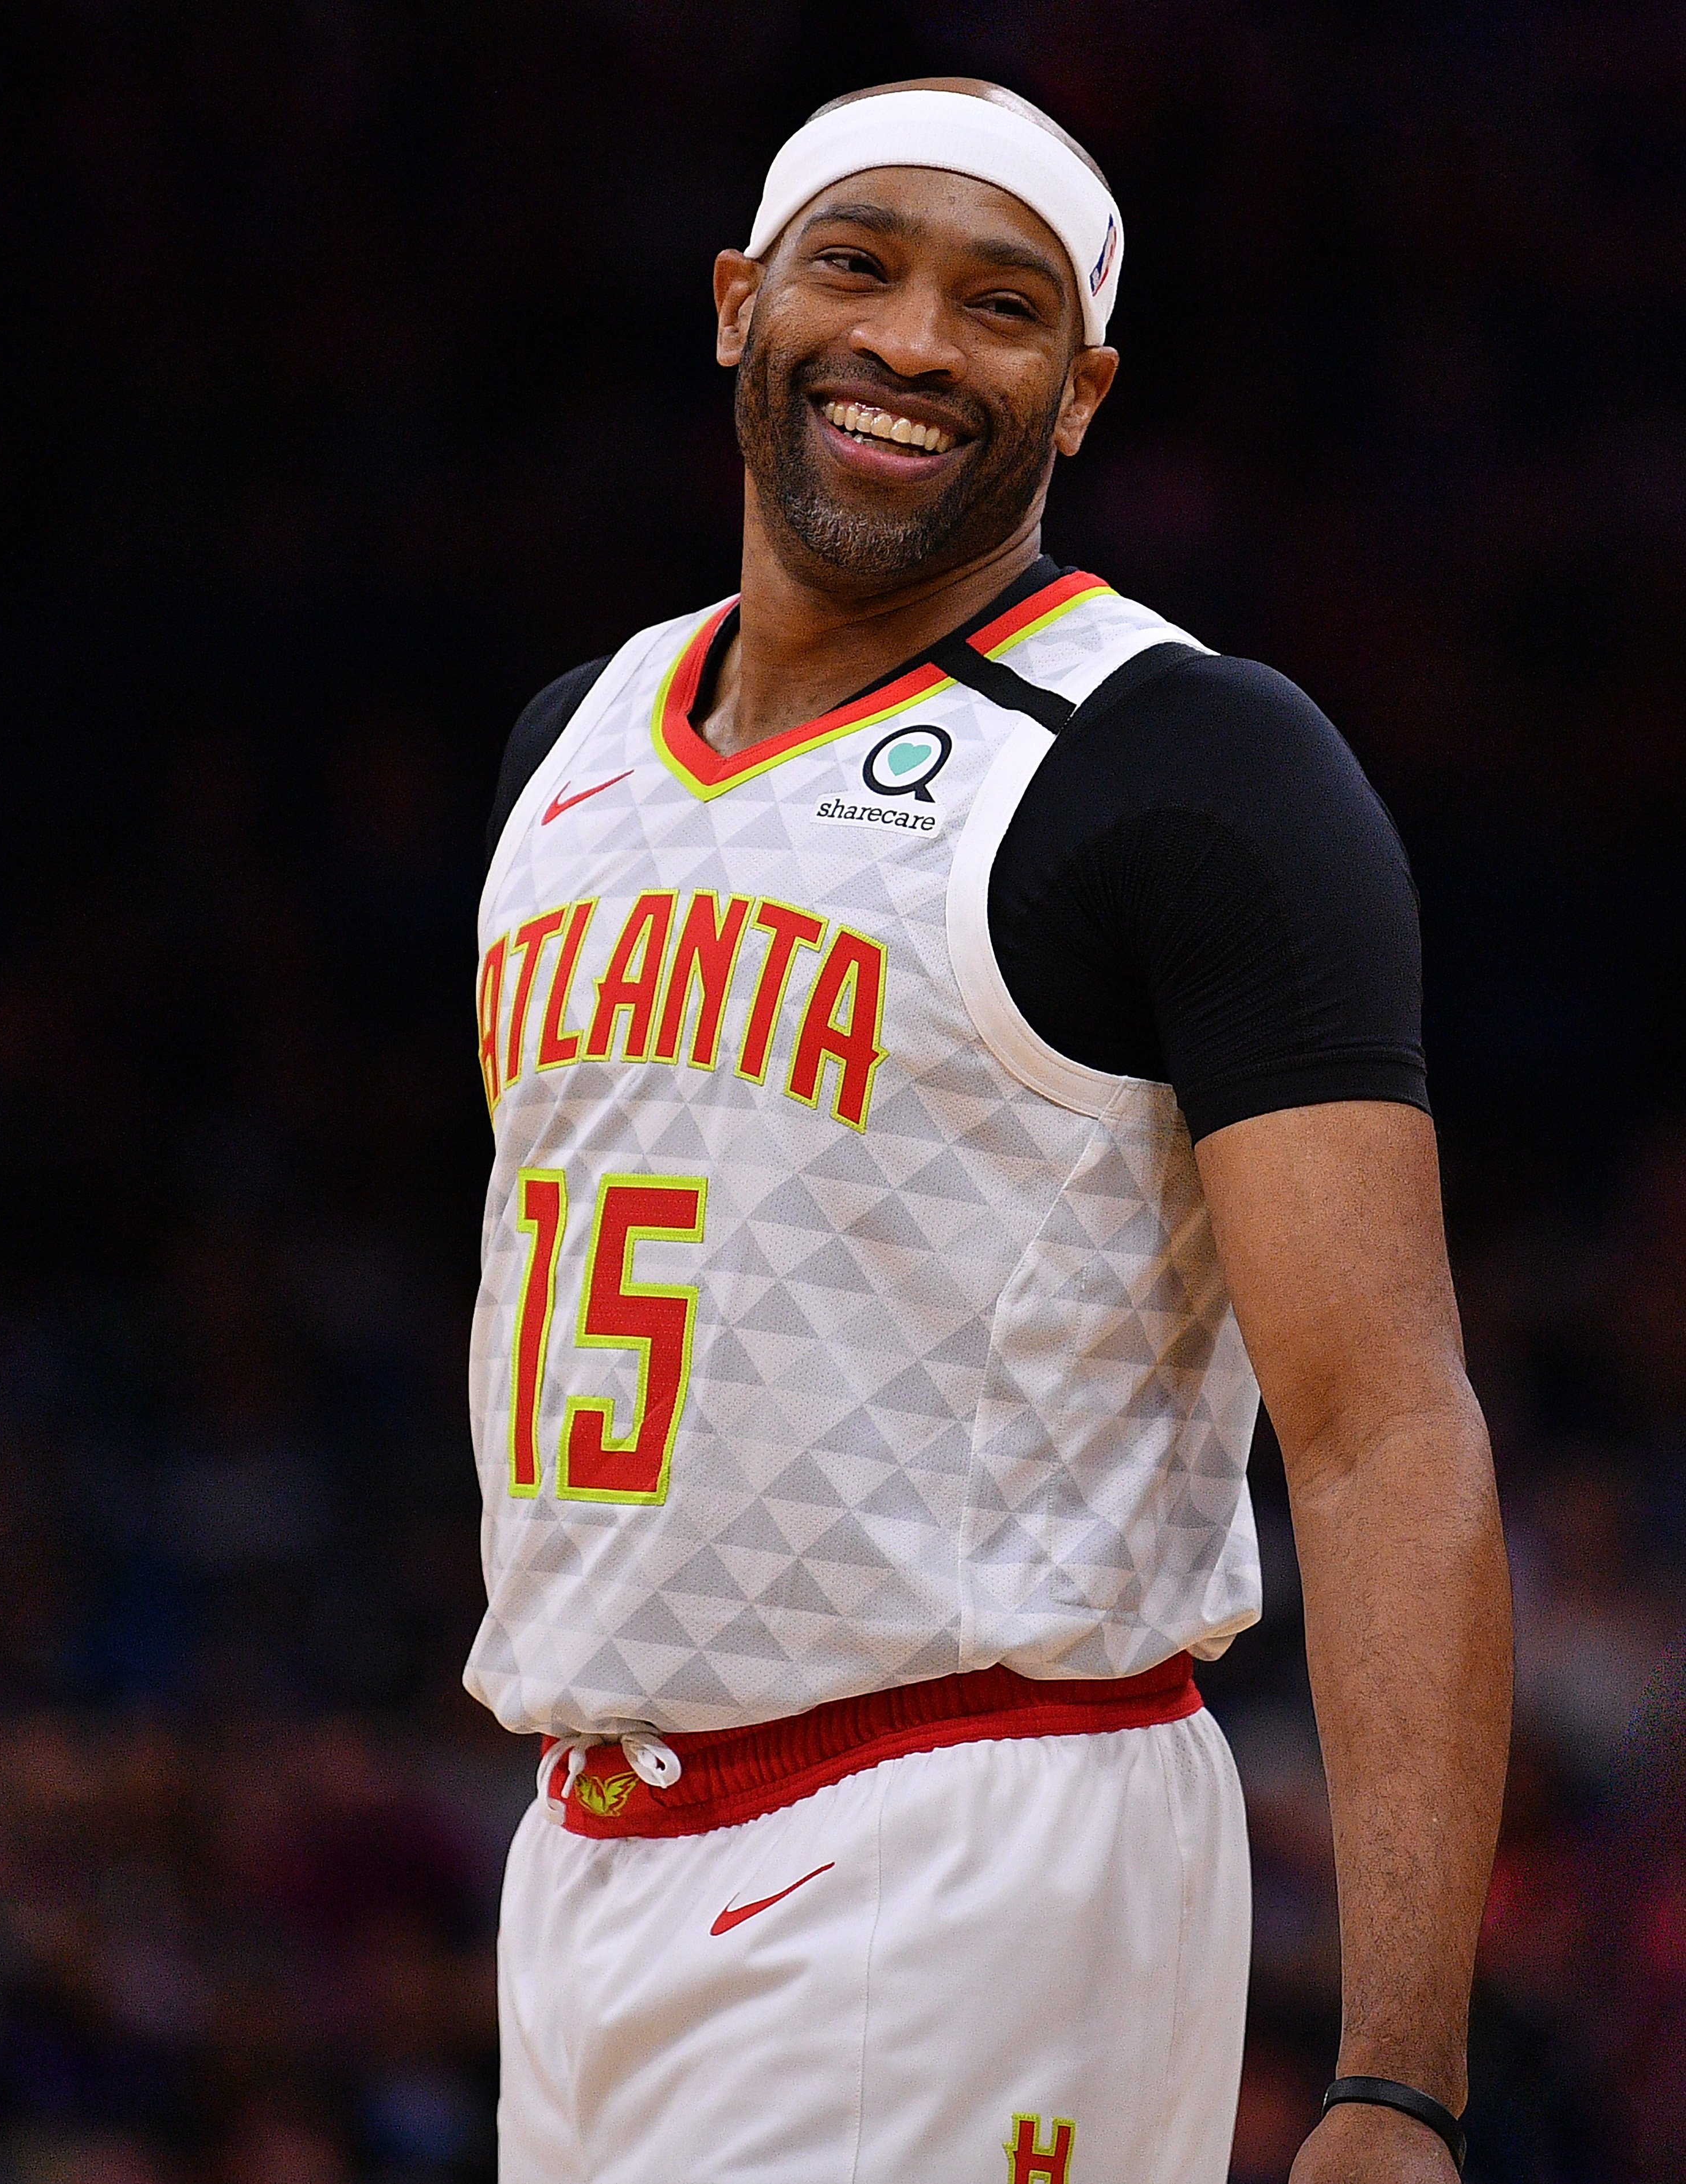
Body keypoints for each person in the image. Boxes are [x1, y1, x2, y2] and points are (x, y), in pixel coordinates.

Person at [468, 77, 1511, 2184]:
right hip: (582, 1850)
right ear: (741, 302)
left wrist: (1400, 2071)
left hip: (964, 1835)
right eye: (860, 267)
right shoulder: (568, 747)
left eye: (1003, 305)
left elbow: (1387, 1422)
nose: (920, 343)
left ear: (1085, 391)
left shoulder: (1188, 763)